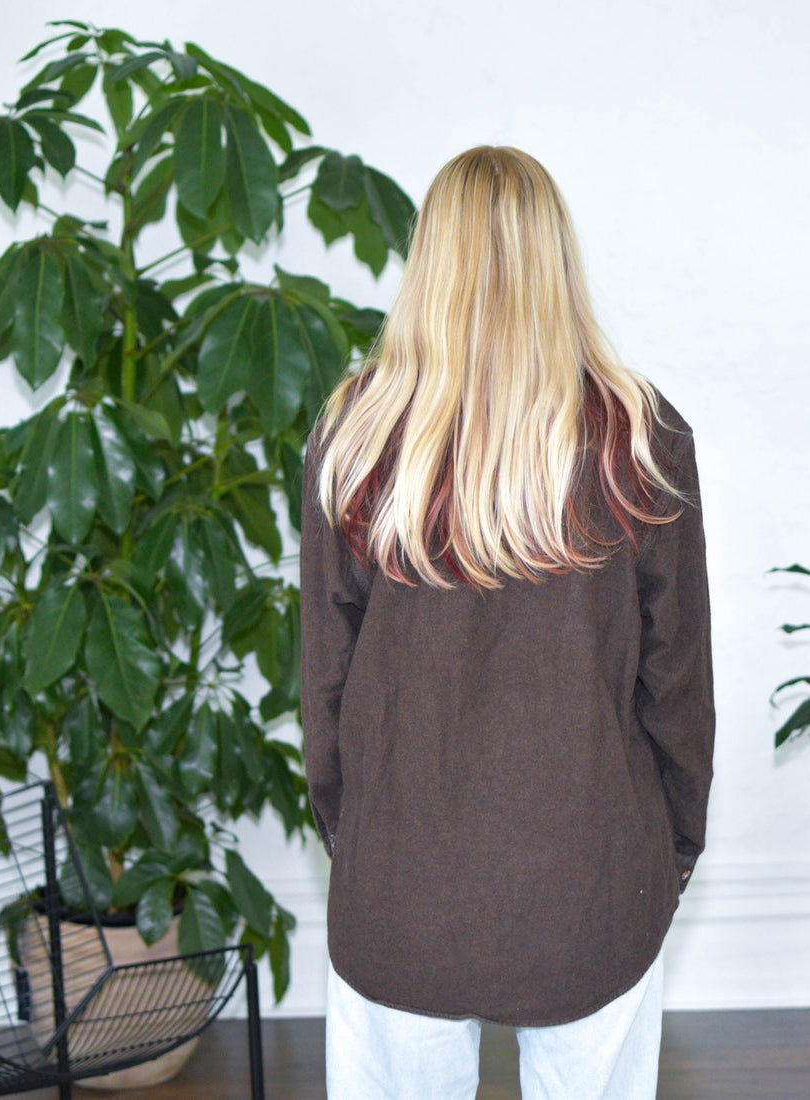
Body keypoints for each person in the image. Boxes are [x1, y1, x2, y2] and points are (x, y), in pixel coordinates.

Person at [299, 145, 714, 1100]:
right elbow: (677, 683)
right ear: (554, 260)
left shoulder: (357, 436)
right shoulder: (638, 439)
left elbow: (326, 681)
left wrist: (359, 839)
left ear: (428, 262)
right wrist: (670, 844)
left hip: (400, 879)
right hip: (592, 873)